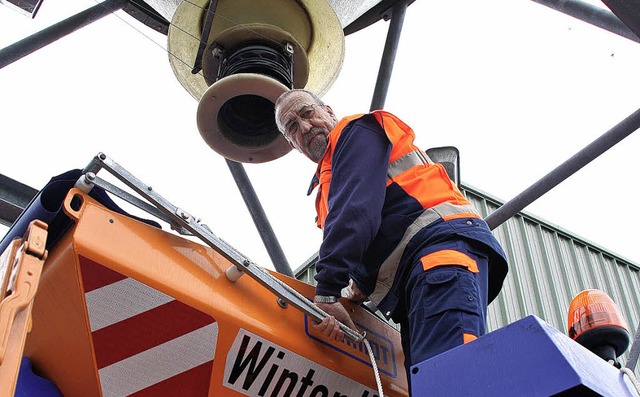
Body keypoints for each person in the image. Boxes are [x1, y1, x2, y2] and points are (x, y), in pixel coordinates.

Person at [274, 89, 508, 380]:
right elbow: (367, 226)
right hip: (416, 279)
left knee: (448, 379)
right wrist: (359, 286)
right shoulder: (329, 182)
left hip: (438, 255)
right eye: (293, 127)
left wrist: (327, 293)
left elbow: (356, 213)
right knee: (427, 381)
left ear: (329, 112)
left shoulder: (356, 131)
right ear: (292, 144)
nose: (305, 127)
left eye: (308, 113)